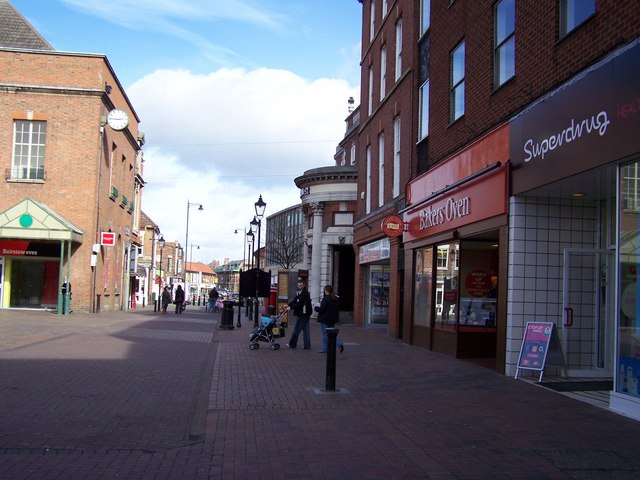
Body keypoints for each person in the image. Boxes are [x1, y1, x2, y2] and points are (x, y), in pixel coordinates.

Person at [315, 285, 344, 353]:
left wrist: (316, 307)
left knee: (325, 334)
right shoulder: (336, 298)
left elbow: (322, 309)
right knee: (331, 333)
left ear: (326, 290)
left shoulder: (326, 299)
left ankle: (326, 348)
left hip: (325, 319)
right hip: (333, 319)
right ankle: (337, 343)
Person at [284, 278, 312, 350]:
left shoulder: (305, 294)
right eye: (299, 285)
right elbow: (295, 300)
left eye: (301, 285)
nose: (300, 286)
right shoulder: (299, 292)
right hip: (304, 314)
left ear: (304, 285)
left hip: (303, 314)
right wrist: (288, 305)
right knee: (306, 330)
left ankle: (292, 344)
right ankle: (307, 345)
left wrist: (290, 308)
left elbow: (299, 304)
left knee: (297, 329)